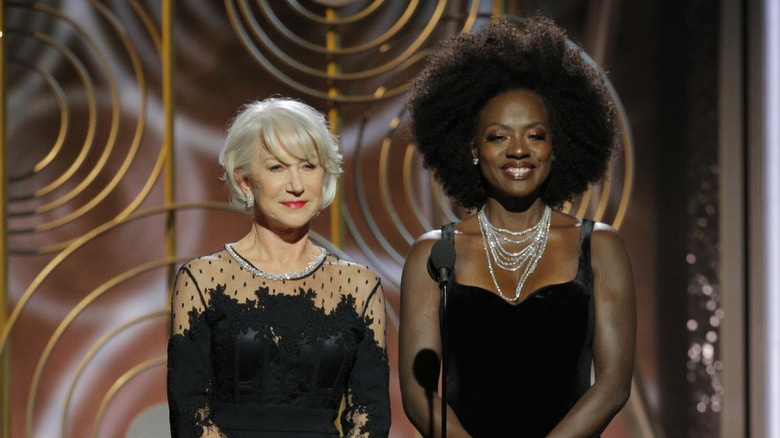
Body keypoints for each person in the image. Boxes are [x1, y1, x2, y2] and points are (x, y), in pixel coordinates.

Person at [399, 17, 636, 438]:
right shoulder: (433, 253)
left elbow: (613, 385)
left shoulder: (599, 246)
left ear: (555, 146)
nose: (519, 150)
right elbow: (419, 394)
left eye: (535, 135)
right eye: (498, 136)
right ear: (473, 148)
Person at [167, 97, 391, 437]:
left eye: (309, 166)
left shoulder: (359, 286)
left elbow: (370, 413)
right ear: (245, 181)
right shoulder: (202, 281)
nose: (296, 185)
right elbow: (189, 413)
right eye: (277, 168)